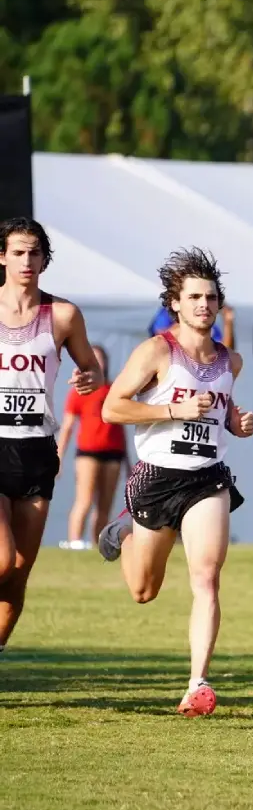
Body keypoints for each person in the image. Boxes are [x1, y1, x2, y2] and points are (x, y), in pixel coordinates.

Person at [99, 248, 253, 717]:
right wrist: (172, 410)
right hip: (157, 479)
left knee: (206, 578)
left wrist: (236, 423)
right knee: (143, 590)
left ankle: (198, 683)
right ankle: (124, 533)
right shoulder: (155, 351)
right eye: (193, 297)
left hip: (207, 480)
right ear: (175, 303)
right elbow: (112, 407)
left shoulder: (232, 361)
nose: (203, 305)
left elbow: (222, 410)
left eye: (209, 296)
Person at [0, 217, 102, 654]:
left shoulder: (62, 314)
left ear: (45, 259)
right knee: (2, 560)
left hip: (37, 448)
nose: (27, 260)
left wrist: (88, 378)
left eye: (35, 252)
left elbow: (92, 368)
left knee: (19, 570)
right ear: (1, 256)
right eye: (19, 252)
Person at [58, 345, 126, 549]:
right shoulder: (79, 391)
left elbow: (120, 427)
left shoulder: (114, 390)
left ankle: (99, 545)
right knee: (84, 500)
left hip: (114, 453)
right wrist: (58, 456)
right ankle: (74, 542)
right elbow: (68, 426)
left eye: (100, 359)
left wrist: (130, 461)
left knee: (105, 505)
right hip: (88, 452)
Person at [149, 301, 232, 349]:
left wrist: (228, 322)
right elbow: (158, 338)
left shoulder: (208, 324)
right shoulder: (168, 312)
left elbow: (226, 353)